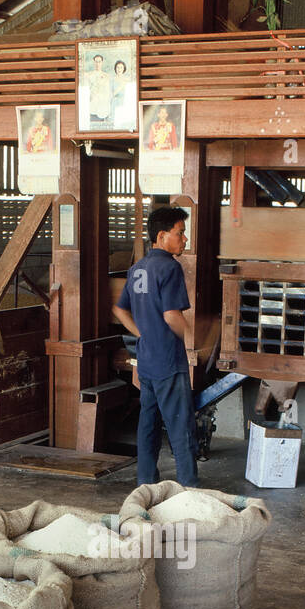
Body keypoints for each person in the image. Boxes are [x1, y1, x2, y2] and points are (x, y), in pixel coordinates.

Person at [112, 206, 198, 487]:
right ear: (162, 236)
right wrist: (196, 340)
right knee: (180, 426)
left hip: (146, 361)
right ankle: (189, 488)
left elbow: (120, 310)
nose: (184, 239)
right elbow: (171, 315)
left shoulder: (138, 268)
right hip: (169, 362)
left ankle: (146, 483)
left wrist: (143, 333)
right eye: (180, 233)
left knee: (147, 424)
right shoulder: (170, 267)